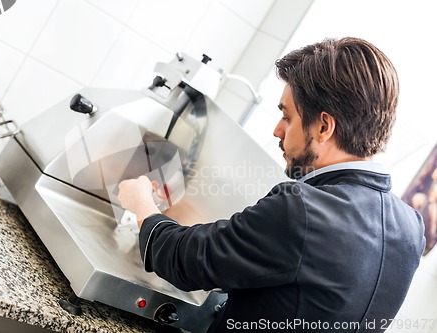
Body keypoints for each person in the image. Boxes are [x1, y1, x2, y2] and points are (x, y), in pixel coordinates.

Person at [117, 37, 425, 332]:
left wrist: (143, 204)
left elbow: (183, 262)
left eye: (287, 117)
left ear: (323, 126)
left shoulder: (302, 208)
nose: (278, 131)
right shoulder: (410, 228)